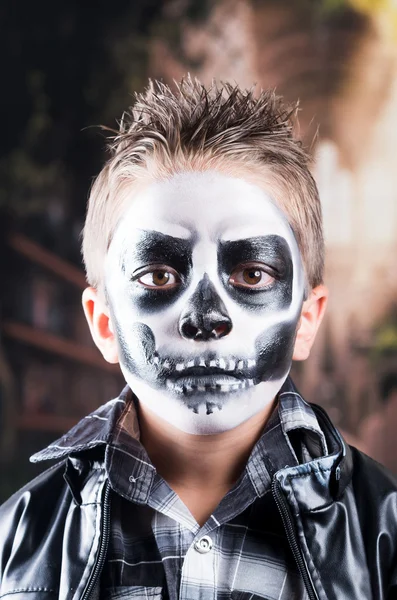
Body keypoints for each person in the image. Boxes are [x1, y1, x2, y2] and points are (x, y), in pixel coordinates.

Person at [1, 78, 396, 600]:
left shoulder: (382, 537)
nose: (206, 317)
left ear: (306, 319)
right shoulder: (16, 544)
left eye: (252, 274)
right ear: (104, 324)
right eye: (158, 276)